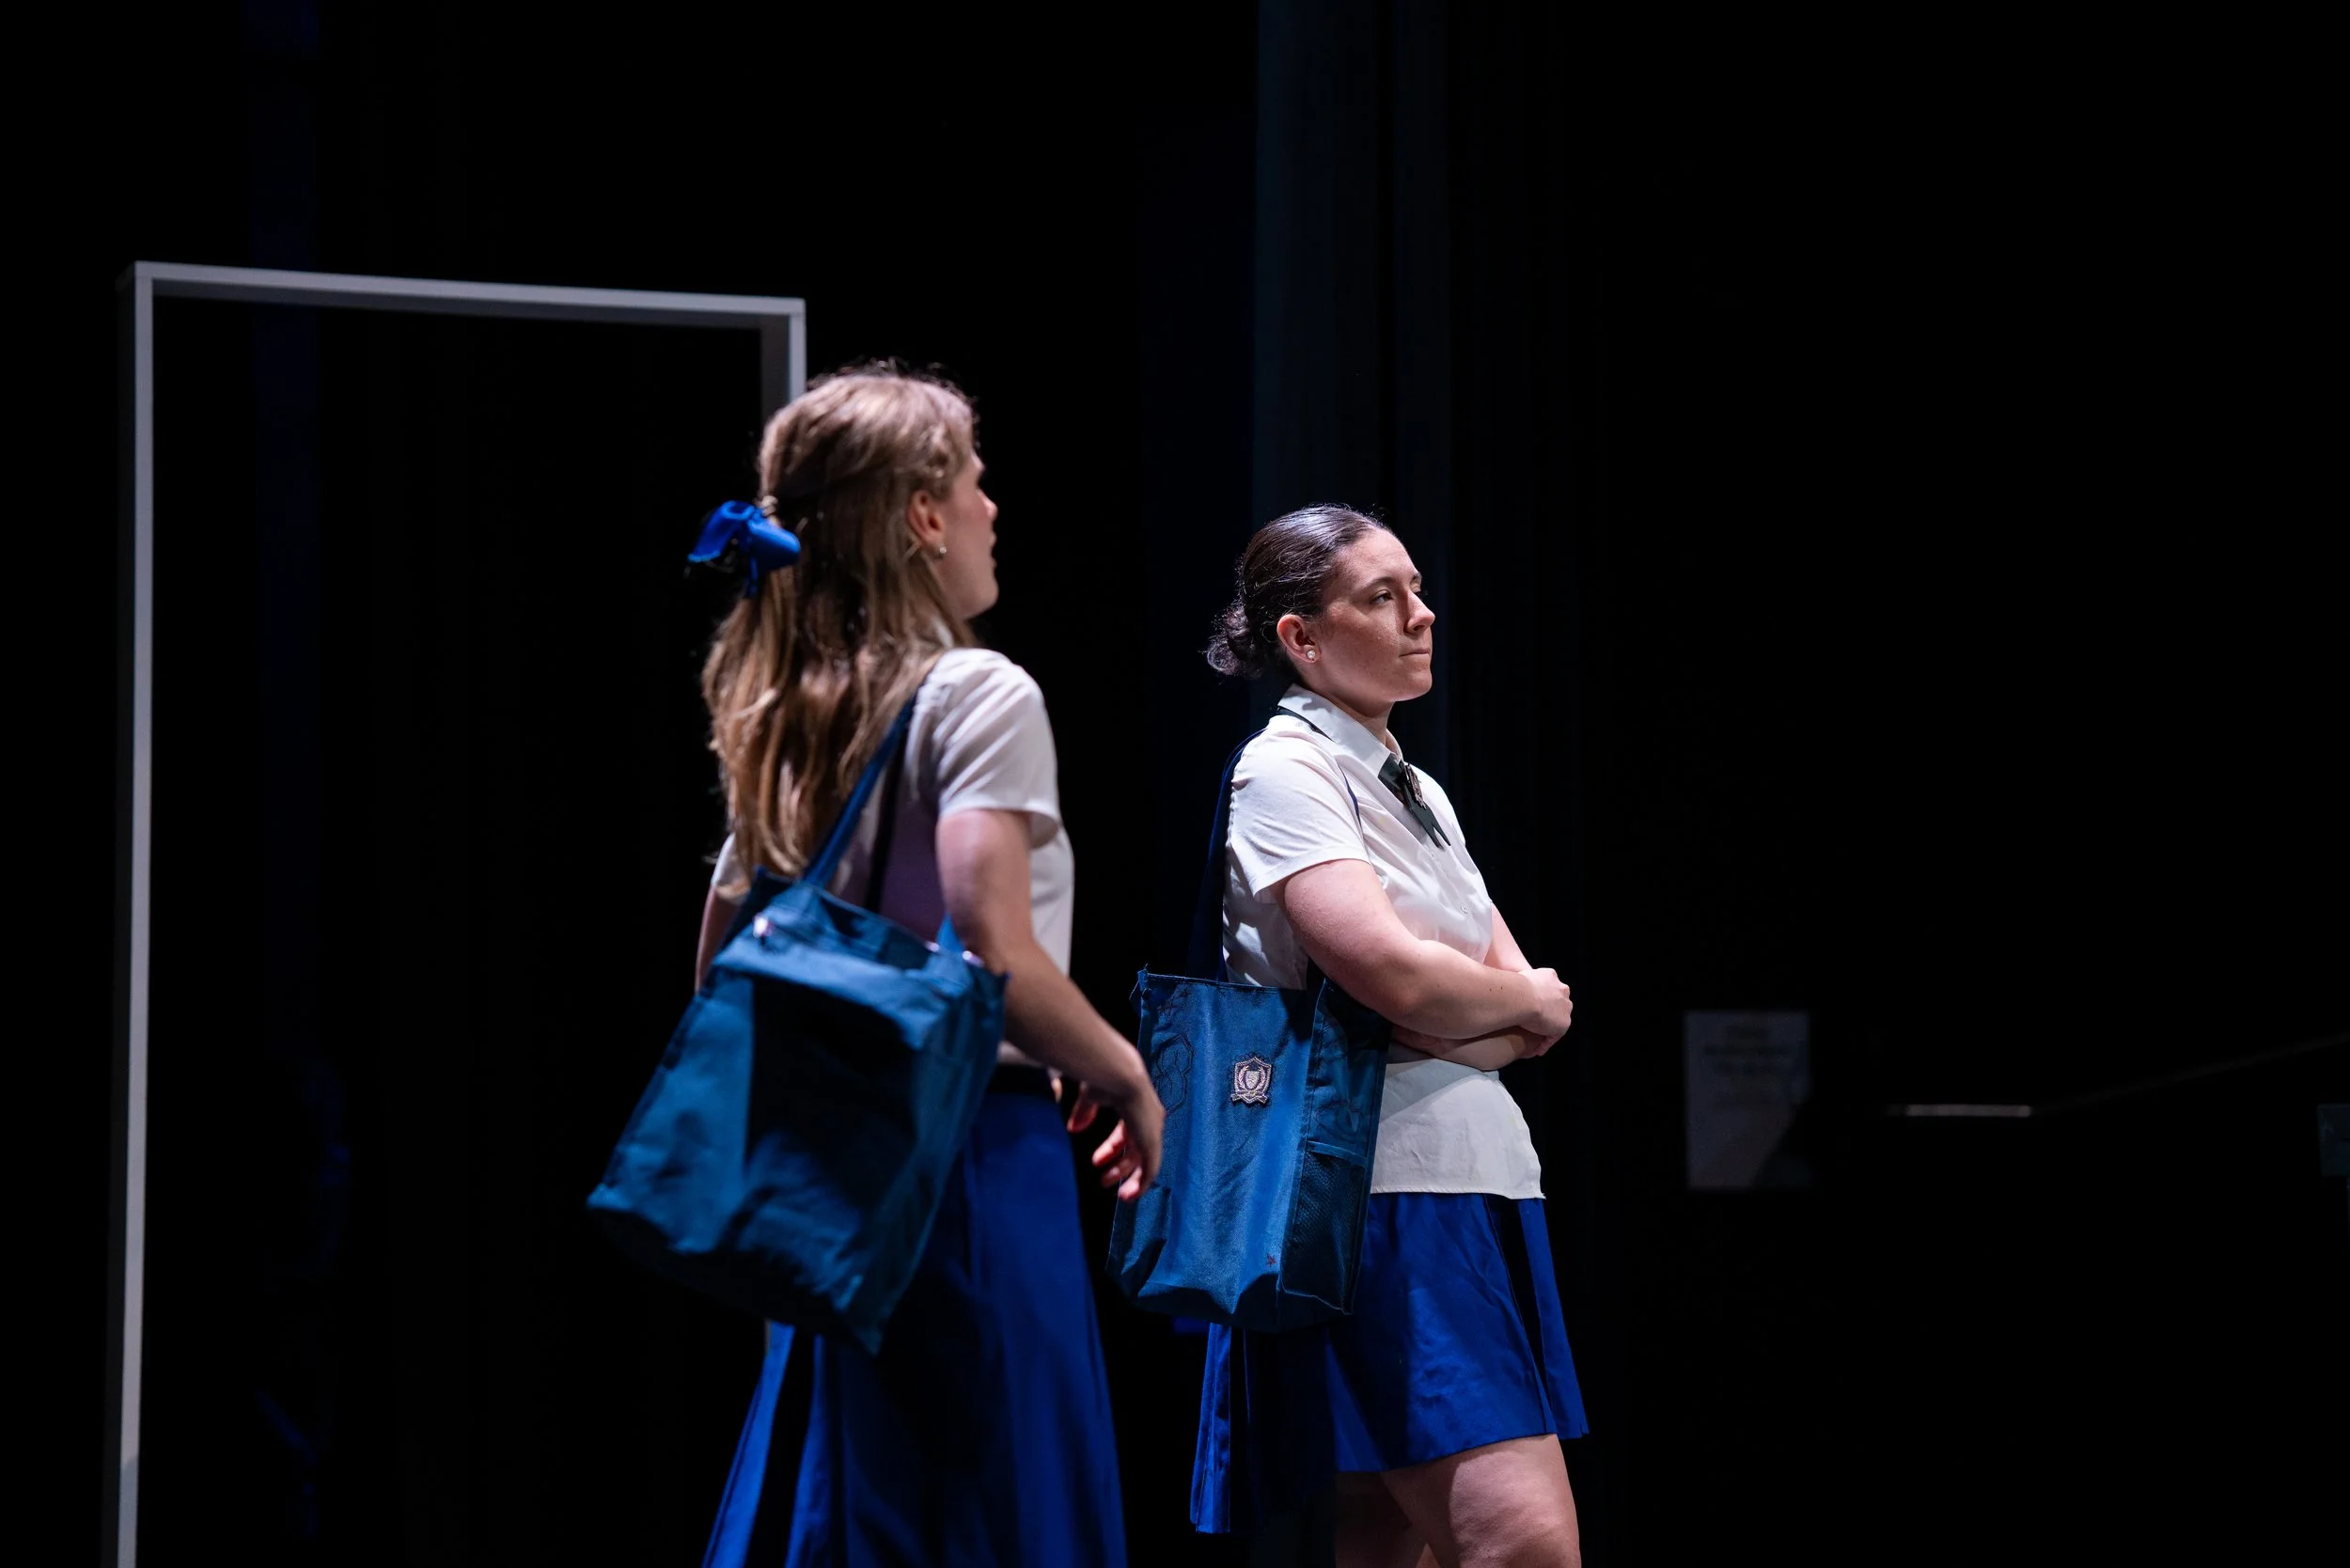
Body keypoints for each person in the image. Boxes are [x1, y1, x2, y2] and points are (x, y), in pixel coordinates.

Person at [692, 365, 1163, 1567]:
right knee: (999, 1501)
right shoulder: (979, 690)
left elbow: (721, 971)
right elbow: (996, 949)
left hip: (843, 1177)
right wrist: (1125, 1071)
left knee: (867, 1509)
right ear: (920, 515)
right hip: (970, 1165)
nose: (995, 508)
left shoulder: (786, 708)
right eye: (975, 479)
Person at [1193, 505, 1588, 1567]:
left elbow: (1520, 999)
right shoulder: (1285, 770)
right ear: (1301, 640)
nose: (1420, 616)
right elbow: (1390, 970)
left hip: (1472, 1181)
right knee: (1525, 1546)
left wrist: (1483, 1018)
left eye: (1415, 590)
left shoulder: (1414, 785)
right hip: (1389, 1191)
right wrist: (1484, 1010)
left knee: (1382, 1542)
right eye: (1382, 596)